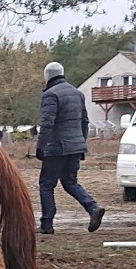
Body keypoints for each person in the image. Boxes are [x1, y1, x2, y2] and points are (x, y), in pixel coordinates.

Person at [35, 62, 105, 235]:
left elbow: (47, 124)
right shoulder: (78, 94)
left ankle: (46, 224)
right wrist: (81, 143)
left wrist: (40, 147)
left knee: (46, 184)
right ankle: (92, 207)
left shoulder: (50, 95)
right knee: (70, 182)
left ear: (47, 76)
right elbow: (85, 122)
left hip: (57, 147)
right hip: (75, 146)